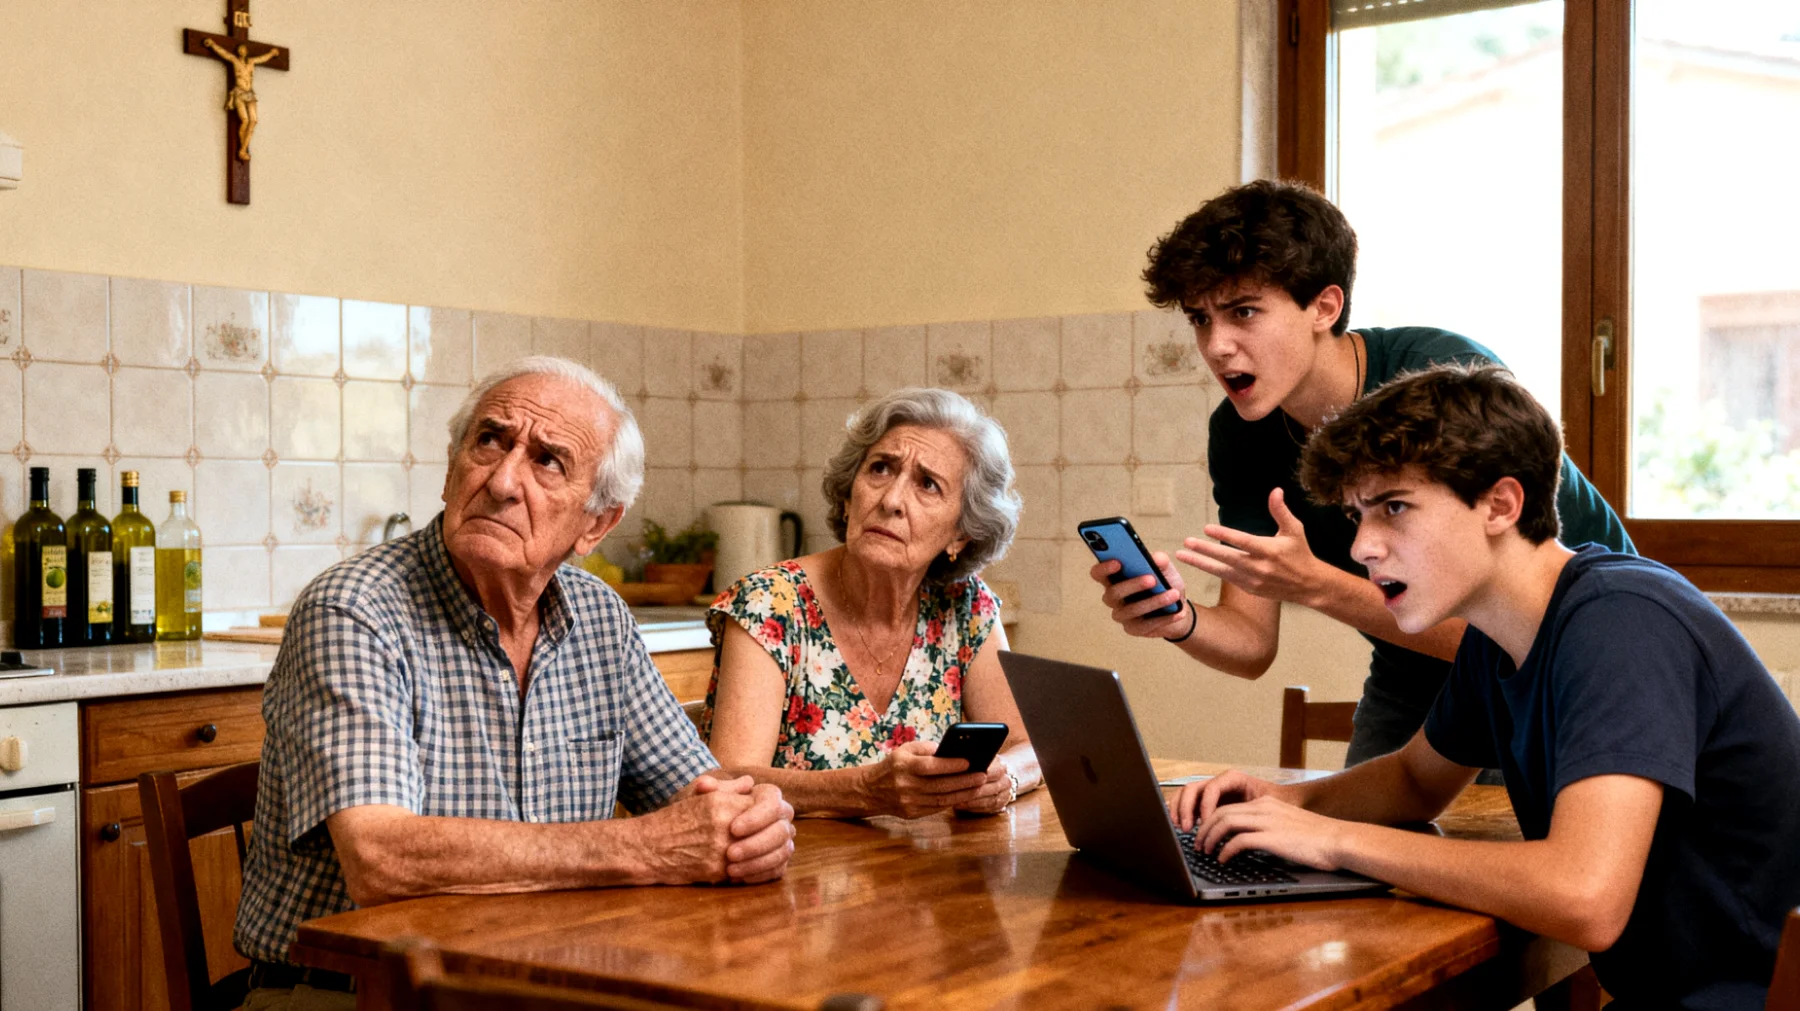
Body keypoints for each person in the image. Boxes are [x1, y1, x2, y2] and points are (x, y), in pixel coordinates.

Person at [1172, 363, 1800, 1009]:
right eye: (1358, 515)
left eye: (1394, 507)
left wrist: (1334, 840)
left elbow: (1584, 897)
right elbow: (1416, 780)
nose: (1362, 545)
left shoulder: (1621, 620)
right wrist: (1287, 801)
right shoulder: (1496, 637)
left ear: (1501, 504)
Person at [233, 357, 796, 1009]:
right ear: (450, 470)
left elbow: (700, 798)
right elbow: (380, 858)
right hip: (351, 994)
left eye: (547, 461)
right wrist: (647, 847)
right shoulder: (355, 611)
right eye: (489, 441)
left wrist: (754, 821)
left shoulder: (598, 616)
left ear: (596, 524)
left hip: (540, 981)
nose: (502, 480)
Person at [1091, 179, 1634, 767]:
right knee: (1343, 845)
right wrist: (1177, 617)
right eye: (1200, 319)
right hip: (1412, 664)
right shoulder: (1242, 433)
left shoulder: (1442, 378)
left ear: (1324, 307)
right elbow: (1250, 644)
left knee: (1493, 844)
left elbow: (1500, 627)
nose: (1217, 346)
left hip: (1574, 652)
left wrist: (1316, 584)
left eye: (1243, 312)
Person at [702, 388, 1042, 818]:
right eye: (880, 469)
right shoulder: (770, 604)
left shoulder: (966, 609)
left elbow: (1029, 747)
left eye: (927, 485)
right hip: (791, 874)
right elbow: (728, 779)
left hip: (926, 872)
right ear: (848, 496)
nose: (891, 501)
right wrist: (865, 789)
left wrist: (1005, 776)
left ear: (961, 534)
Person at [202, 39, 279, 160]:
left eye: (244, 49)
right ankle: (243, 150)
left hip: (250, 94)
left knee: (253, 121)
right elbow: (224, 53)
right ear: (238, 51)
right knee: (245, 120)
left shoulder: (252, 62)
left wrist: (272, 53)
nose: (241, 51)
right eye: (240, 49)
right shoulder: (235, 61)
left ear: (247, 51)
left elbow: (262, 58)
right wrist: (212, 44)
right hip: (239, 93)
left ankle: (243, 149)